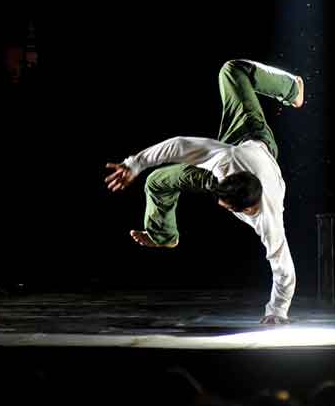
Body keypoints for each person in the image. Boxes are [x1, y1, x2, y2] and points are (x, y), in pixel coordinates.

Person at [105, 59, 305, 324]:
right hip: (249, 138)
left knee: (157, 182)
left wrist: (277, 311)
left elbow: (284, 270)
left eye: (223, 203)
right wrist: (133, 164)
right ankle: (163, 234)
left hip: (250, 163)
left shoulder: (269, 220)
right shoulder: (226, 160)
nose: (219, 204)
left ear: (246, 210)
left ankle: (293, 89)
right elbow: (178, 145)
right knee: (232, 70)